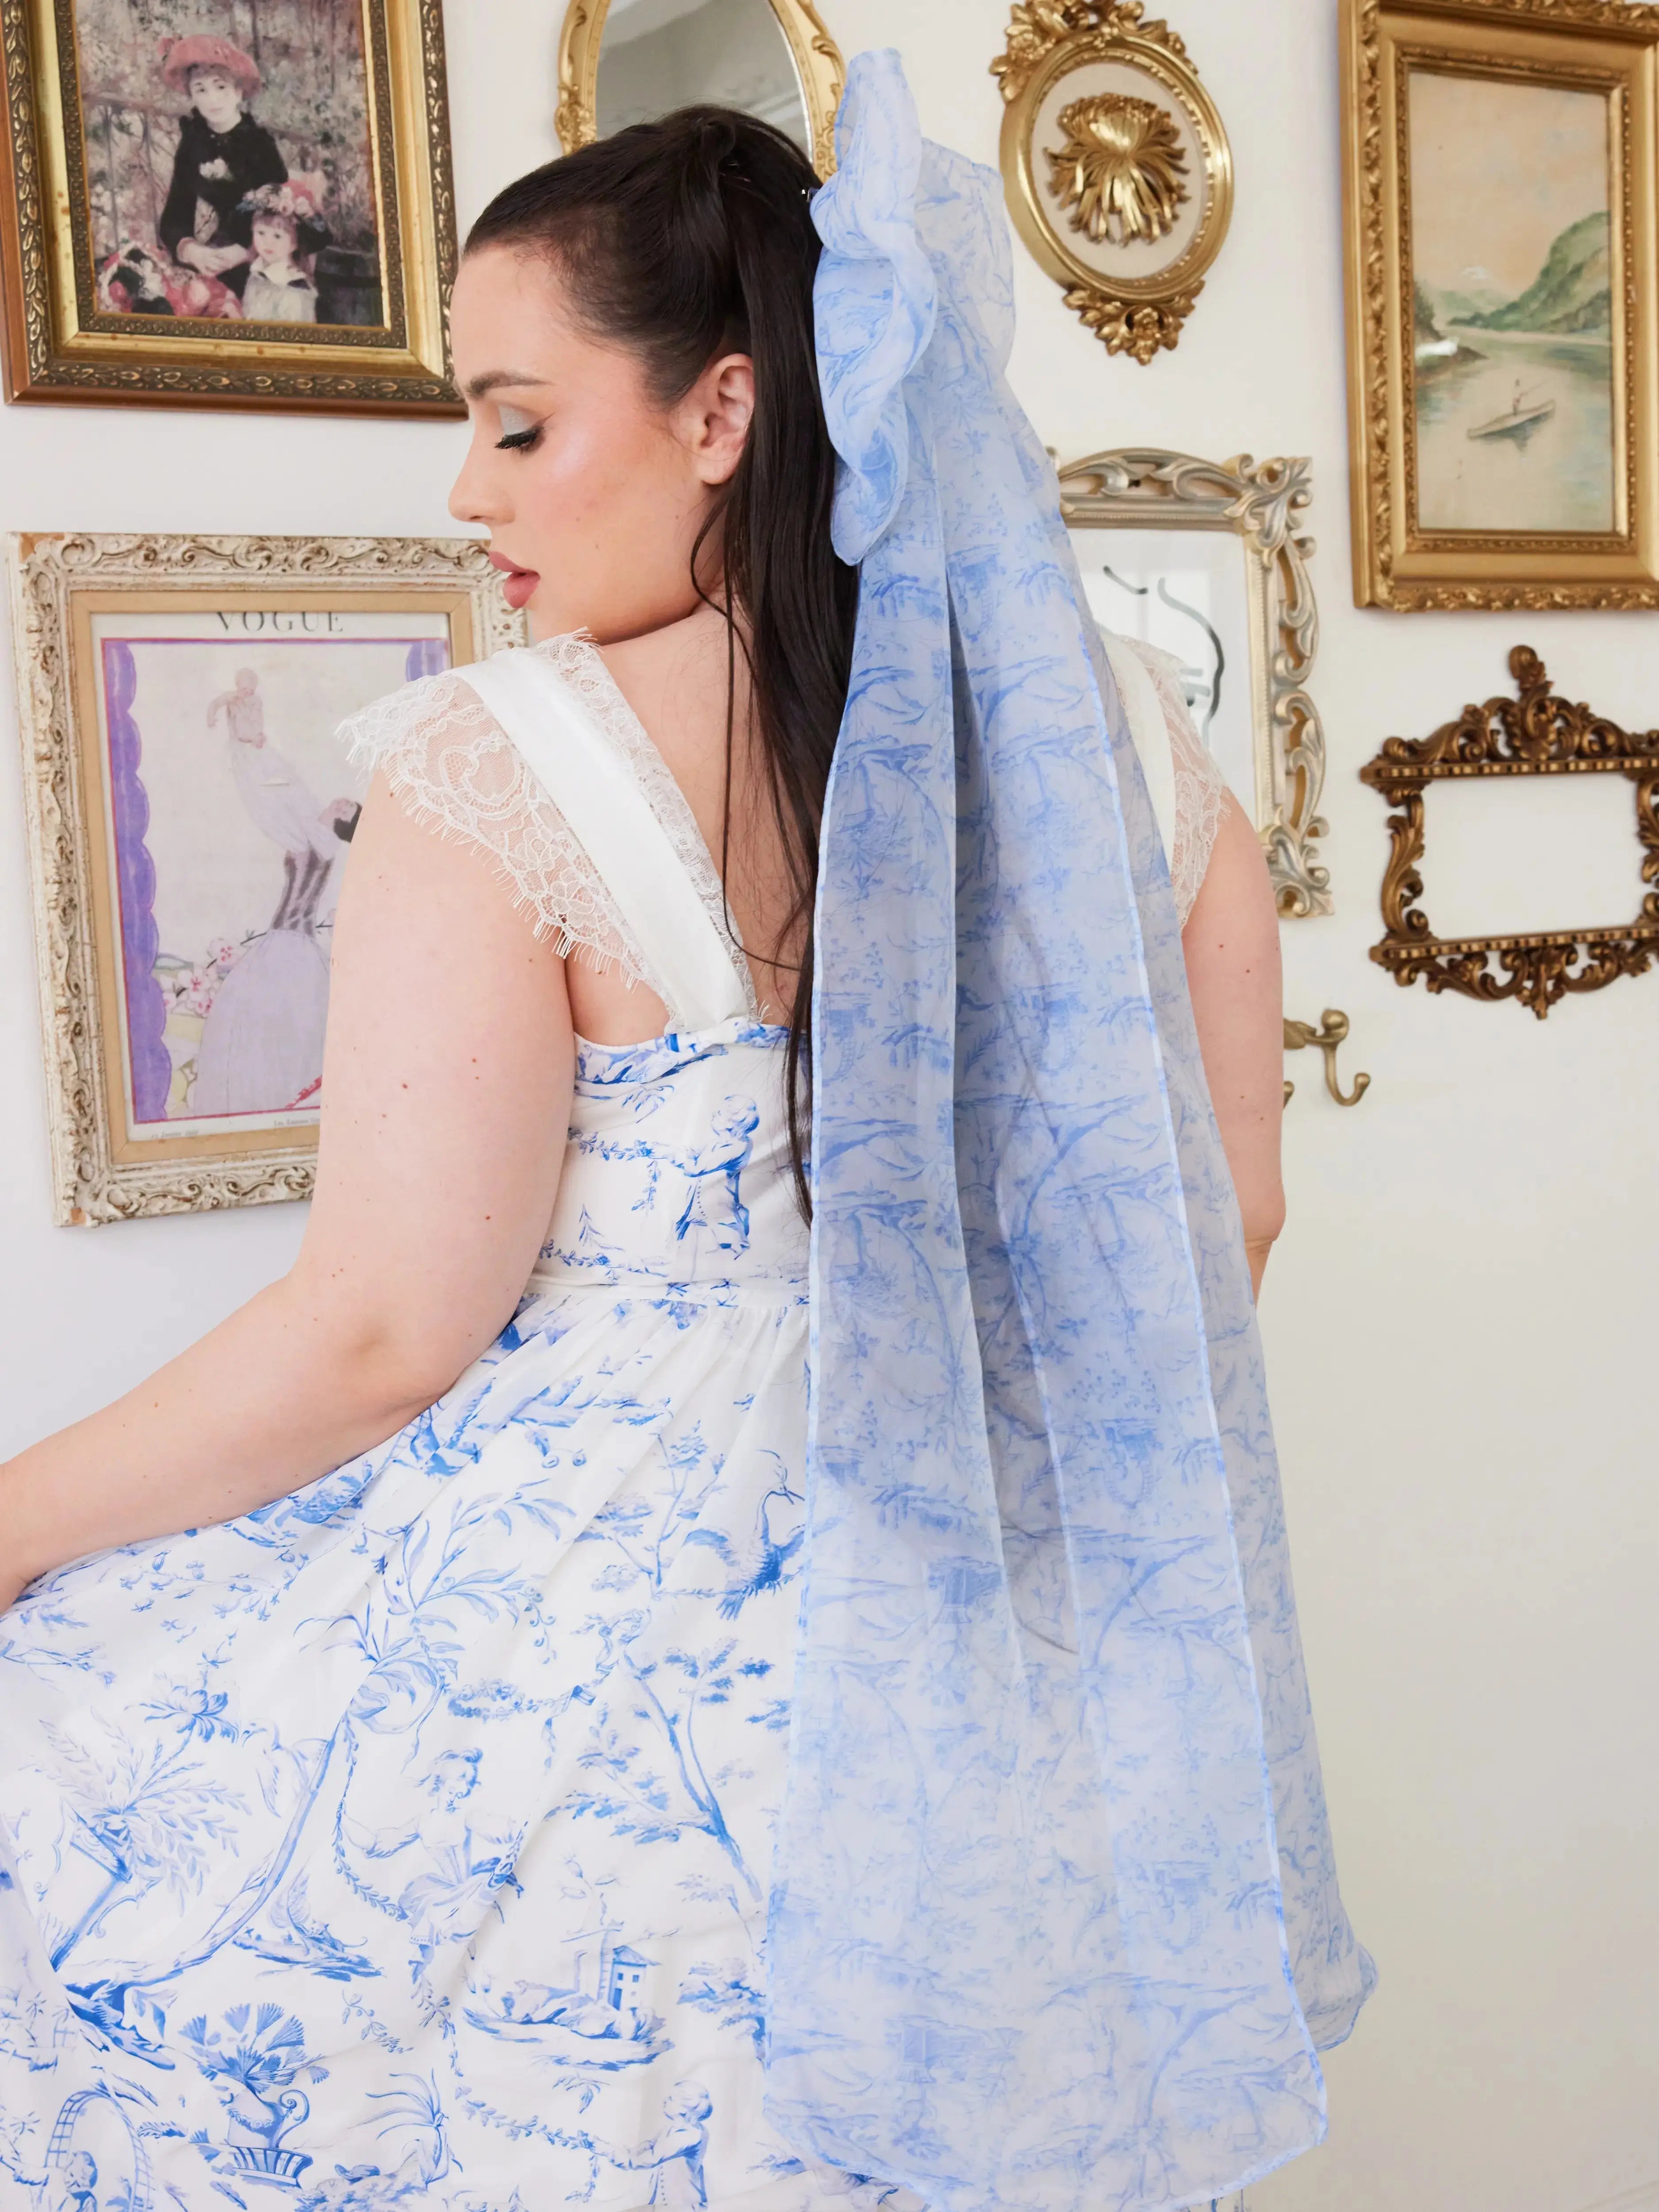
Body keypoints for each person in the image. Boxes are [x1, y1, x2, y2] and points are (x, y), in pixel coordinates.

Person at [0, 54, 1369, 2212]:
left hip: (603, 1719)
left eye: (517, 422)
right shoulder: (1123, 733)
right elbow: (1231, 1222)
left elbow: (381, 1328)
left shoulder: (499, 763)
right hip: (998, 1677)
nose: (469, 489)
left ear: (722, 412)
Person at [191, 670, 357, 1116]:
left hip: (289, 944)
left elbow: (280, 799)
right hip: (290, 942)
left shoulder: (315, 840)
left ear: (343, 822)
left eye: (346, 807)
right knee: (269, 1025)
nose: (340, 801)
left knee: (270, 1024)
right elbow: (290, 797)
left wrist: (251, 752)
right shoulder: (317, 840)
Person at [156, 35, 286, 302]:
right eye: (201, 90)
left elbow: (286, 218)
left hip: (265, 256)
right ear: (192, 95)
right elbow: (176, 214)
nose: (212, 99)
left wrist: (247, 251)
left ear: (238, 92)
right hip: (216, 255)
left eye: (221, 87)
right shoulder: (194, 142)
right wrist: (191, 250)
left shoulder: (259, 144)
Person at [238, 180, 329, 325]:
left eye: (278, 236)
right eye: (261, 233)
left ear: (296, 242)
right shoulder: (257, 273)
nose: (268, 243)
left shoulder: (295, 290)